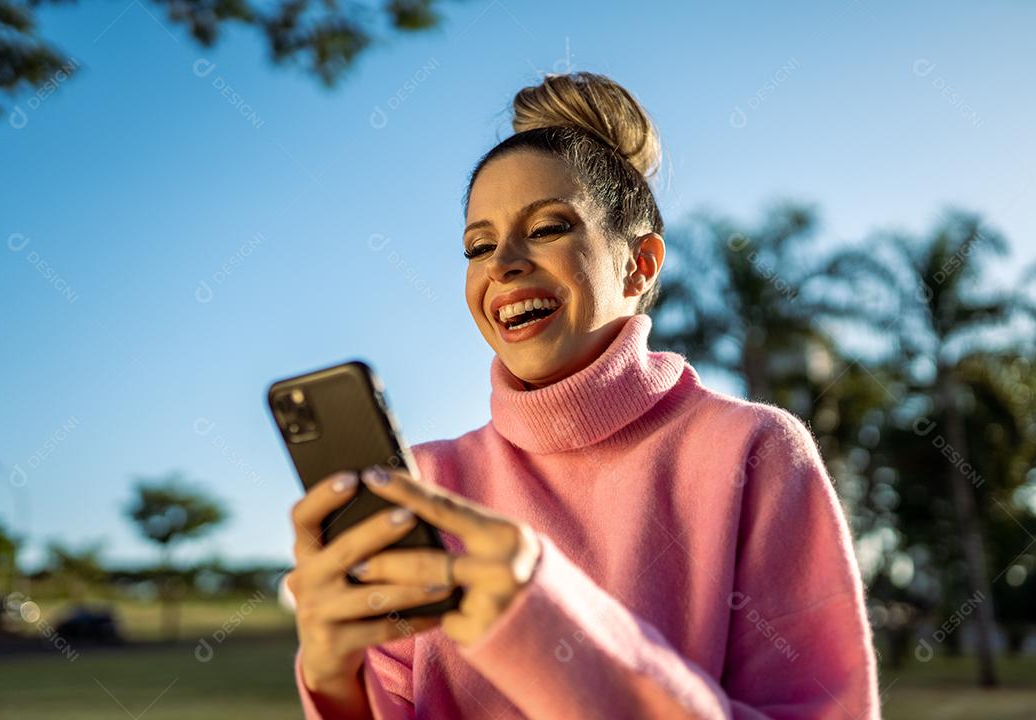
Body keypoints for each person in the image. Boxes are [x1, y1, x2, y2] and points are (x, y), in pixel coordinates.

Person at [284, 71, 880, 719]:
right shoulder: (426, 483)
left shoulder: (752, 450)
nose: (503, 262)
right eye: (478, 245)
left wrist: (544, 629)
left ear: (640, 263)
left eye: (546, 228)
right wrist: (333, 681)